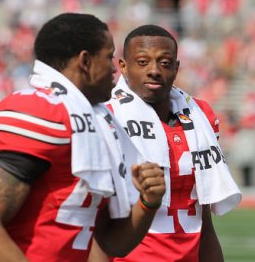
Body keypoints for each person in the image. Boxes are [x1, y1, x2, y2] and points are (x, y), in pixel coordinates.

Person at [0, 13, 166, 261]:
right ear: (85, 61)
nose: (113, 69)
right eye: (108, 56)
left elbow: (111, 243)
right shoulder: (44, 110)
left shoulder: (97, 120)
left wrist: (148, 203)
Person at [91, 25, 242, 261]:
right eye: (142, 62)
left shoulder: (199, 115)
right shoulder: (105, 117)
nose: (154, 71)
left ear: (176, 67)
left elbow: (204, 221)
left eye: (164, 62)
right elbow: (95, 224)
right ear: (123, 66)